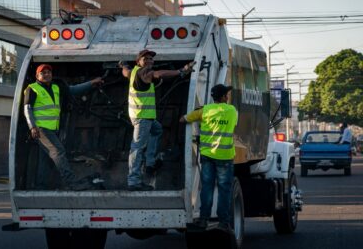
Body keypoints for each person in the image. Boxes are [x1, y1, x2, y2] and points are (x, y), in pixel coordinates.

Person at [120, 49, 195, 191]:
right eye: (145, 59)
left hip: (142, 116)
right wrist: (181, 71)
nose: (149, 61)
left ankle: (150, 163)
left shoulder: (133, 72)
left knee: (157, 130)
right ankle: (134, 181)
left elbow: (126, 71)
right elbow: (158, 74)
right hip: (142, 117)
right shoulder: (145, 73)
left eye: (151, 59)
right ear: (139, 62)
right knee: (137, 147)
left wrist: (122, 64)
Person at [23, 64, 104, 190]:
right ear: (37, 76)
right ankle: (72, 183)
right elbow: (27, 109)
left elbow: (72, 90)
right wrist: (32, 127)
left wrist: (91, 83)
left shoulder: (56, 87)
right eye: (43, 73)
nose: (46, 74)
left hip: (52, 129)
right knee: (58, 151)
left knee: (45, 158)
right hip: (40, 129)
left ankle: (40, 185)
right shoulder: (32, 89)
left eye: (48, 72)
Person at [179, 84, 238, 231]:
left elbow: (183, 120)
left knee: (207, 188)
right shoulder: (232, 111)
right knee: (224, 189)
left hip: (207, 156)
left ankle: (204, 219)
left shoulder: (204, 111)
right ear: (224, 97)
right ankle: (223, 222)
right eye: (227, 94)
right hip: (225, 157)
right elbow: (234, 124)